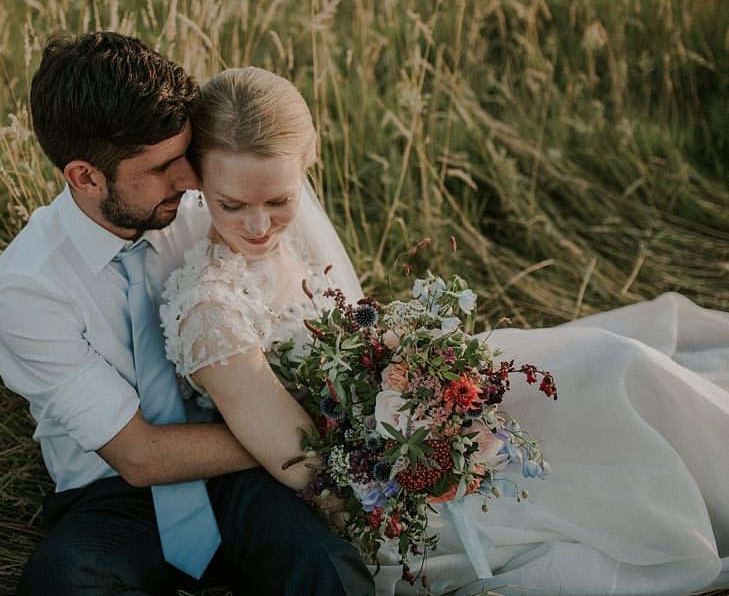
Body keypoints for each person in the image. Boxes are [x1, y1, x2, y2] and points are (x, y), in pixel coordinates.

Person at [161, 65, 729, 596]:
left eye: (280, 200)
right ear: (195, 181)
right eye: (230, 204)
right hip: (388, 475)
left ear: (306, 166)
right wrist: (433, 454)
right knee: (606, 407)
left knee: (618, 364)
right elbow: (307, 463)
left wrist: (425, 370)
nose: (259, 226)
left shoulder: (292, 235)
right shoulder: (210, 313)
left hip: (419, 402)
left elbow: (360, 323)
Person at [0, 31, 375, 596]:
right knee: (63, 586)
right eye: (161, 167)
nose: (190, 179)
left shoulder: (211, 205)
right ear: (84, 176)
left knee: (329, 572)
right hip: (116, 494)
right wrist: (295, 432)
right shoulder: (25, 288)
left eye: (186, 154)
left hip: (244, 478)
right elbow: (140, 456)